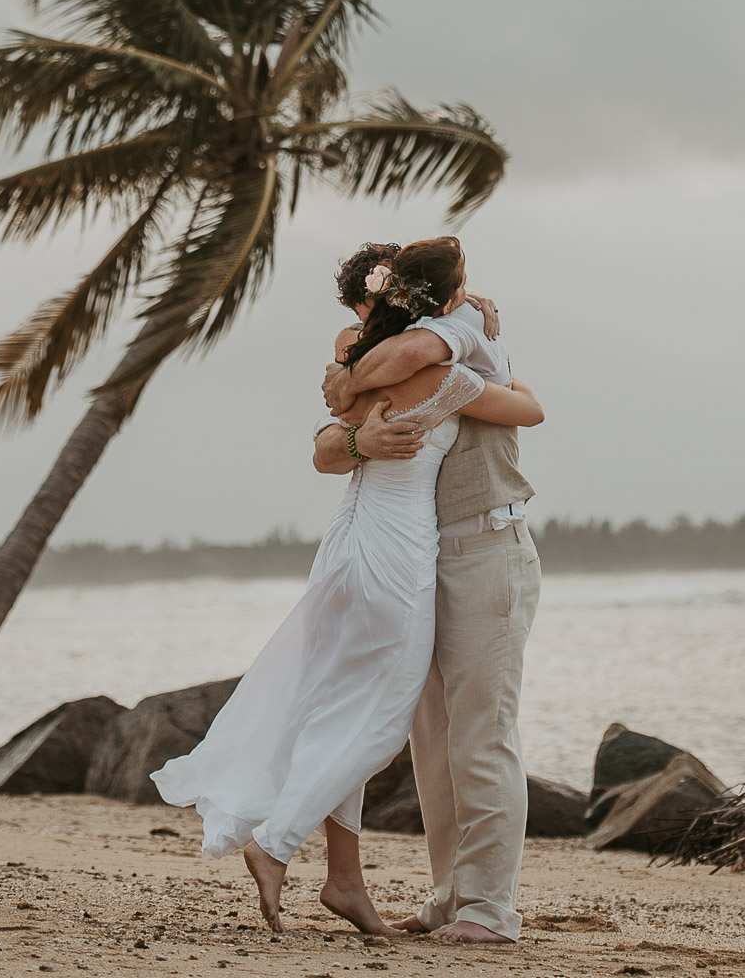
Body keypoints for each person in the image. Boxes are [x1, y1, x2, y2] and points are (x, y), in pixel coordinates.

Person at [150, 235, 543, 936]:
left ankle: (455, 901)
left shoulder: (415, 351)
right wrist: (358, 409)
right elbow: (336, 447)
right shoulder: (425, 361)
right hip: (401, 554)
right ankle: (410, 884)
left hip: (437, 549)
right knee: (405, 727)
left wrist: (352, 380)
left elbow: (361, 406)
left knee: (443, 729)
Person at [318, 243, 541, 944]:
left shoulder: (457, 336)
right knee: (435, 742)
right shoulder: (414, 341)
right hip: (424, 554)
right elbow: (340, 410)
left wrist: (346, 379)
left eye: (385, 301)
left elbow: (526, 408)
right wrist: (349, 383)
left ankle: (489, 909)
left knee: (482, 735)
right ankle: (451, 896)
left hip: (488, 547)